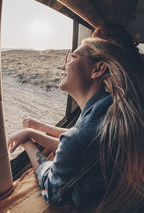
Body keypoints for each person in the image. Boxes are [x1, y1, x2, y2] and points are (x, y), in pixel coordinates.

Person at [8, 37, 144, 213]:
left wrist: (28, 141)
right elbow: (79, 148)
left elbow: (52, 190)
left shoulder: (85, 134)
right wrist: (33, 131)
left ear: (98, 69)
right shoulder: (112, 108)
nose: (63, 66)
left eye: (72, 56)